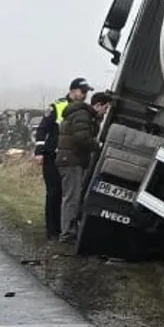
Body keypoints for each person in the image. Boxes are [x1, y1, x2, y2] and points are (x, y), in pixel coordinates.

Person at [34, 77, 91, 240]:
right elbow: (42, 130)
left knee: (68, 194)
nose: (85, 95)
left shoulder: (83, 110)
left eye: (86, 92)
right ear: (72, 91)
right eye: (83, 91)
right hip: (52, 156)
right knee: (54, 192)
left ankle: (64, 228)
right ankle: (52, 230)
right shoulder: (57, 106)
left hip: (69, 159)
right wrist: (39, 151)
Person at [56, 92, 111, 243]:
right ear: (98, 105)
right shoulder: (83, 116)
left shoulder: (86, 116)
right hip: (72, 161)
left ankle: (69, 231)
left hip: (70, 159)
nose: (105, 112)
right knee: (71, 198)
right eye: (105, 108)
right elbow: (82, 138)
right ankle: (67, 233)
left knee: (72, 196)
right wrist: (98, 146)